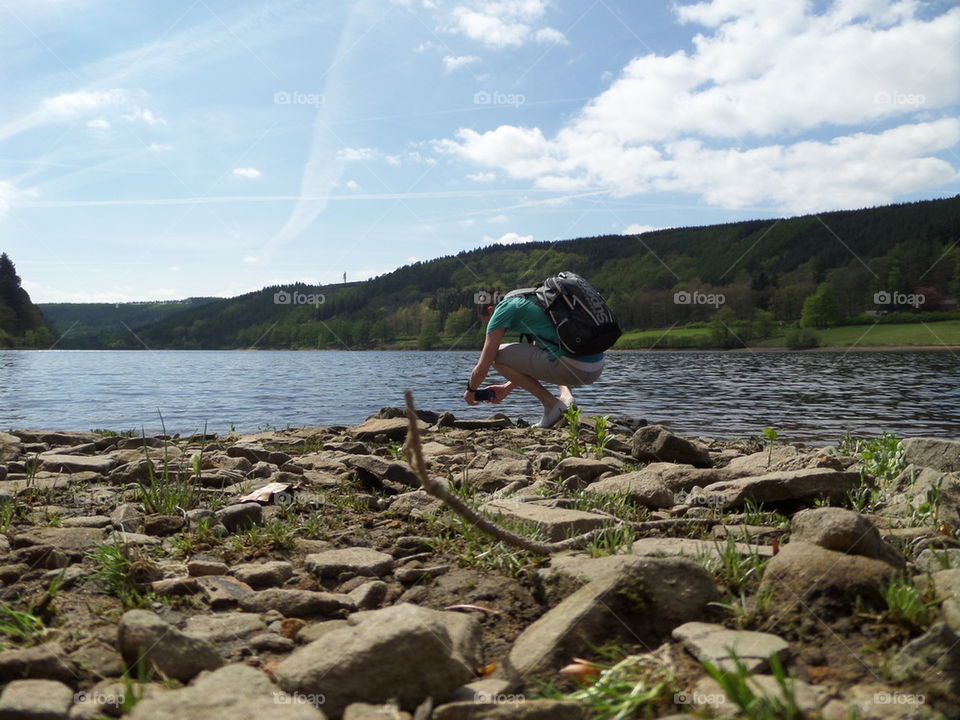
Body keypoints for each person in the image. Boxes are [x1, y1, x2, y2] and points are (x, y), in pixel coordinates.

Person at [464, 291, 605, 428]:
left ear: (490, 310)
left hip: (574, 367)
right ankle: (567, 397)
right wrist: (507, 388)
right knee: (552, 347)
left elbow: (482, 368)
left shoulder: (503, 309)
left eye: (486, 322)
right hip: (596, 368)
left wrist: (470, 391)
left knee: (495, 355)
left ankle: (551, 404)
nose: (489, 326)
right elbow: (535, 359)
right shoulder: (535, 301)